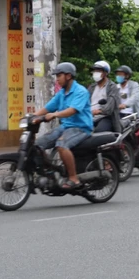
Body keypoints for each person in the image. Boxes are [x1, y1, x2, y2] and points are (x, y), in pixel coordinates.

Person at [32, 62, 93, 191]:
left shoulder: (80, 91)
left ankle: (73, 178)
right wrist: (32, 116)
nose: (57, 79)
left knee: (61, 145)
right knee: (38, 144)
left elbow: (72, 110)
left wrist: (55, 115)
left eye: (59, 76)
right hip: (66, 127)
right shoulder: (61, 93)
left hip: (81, 128)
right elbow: (48, 107)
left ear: (68, 76)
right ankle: (51, 172)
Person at [88, 60, 121, 132]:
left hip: (105, 118)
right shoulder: (91, 87)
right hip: (90, 117)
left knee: (98, 132)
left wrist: (99, 111)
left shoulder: (112, 87)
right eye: (94, 71)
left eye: (98, 71)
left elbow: (109, 108)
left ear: (105, 73)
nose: (95, 73)